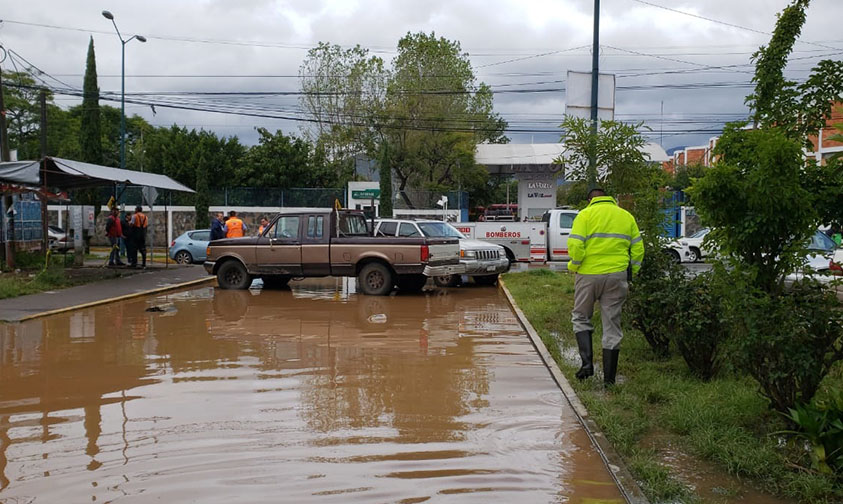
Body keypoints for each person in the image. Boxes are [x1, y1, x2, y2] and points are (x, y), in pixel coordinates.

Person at [567, 188, 644, 386]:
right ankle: (609, 380)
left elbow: (575, 245)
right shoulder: (626, 216)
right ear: (608, 198)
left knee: (581, 316)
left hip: (588, 275)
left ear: (590, 200)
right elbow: (638, 248)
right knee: (612, 324)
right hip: (617, 276)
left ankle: (586, 366)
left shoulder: (585, 215)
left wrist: (574, 266)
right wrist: (631, 272)